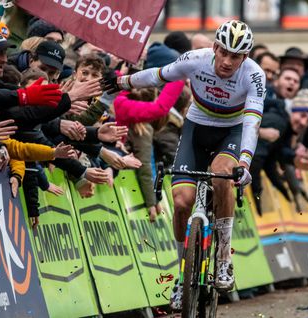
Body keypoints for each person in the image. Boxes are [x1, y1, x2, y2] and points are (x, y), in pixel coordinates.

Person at [105, 20, 264, 310]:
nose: (228, 61)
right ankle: (182, 274)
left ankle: (224, 259)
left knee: (222, 177)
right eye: (224, 52)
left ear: (246, 57)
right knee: (181, 202)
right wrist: (122, 82)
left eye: (236, 56)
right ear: (214, 47)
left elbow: (253, 122)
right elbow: (158, 76)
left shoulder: (254, 76)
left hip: (232, 131)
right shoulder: (196, 60)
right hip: (196, 127)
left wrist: (244, 160)